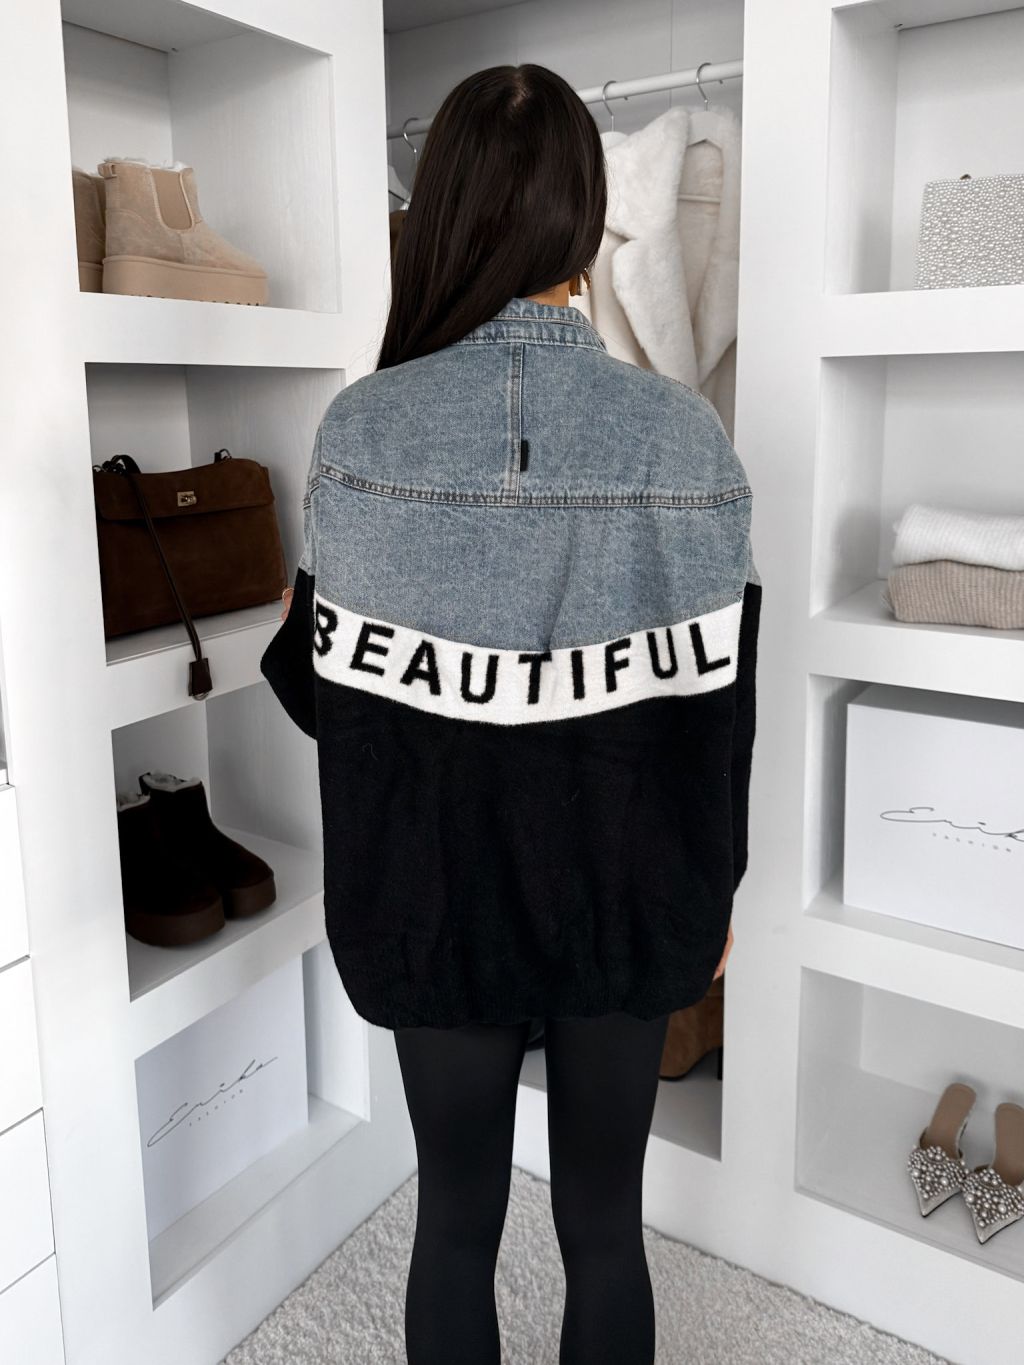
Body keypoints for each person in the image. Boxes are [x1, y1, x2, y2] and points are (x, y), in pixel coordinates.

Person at [263, 62, 760, 1365]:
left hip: (432, 889)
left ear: (442, 210)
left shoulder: (362, 431)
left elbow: (331, 701)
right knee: (604, 1224)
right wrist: (716, 887)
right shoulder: (684, 438)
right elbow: (718, 703)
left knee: (454, 1222)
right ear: (590, 220)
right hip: (631, 881)